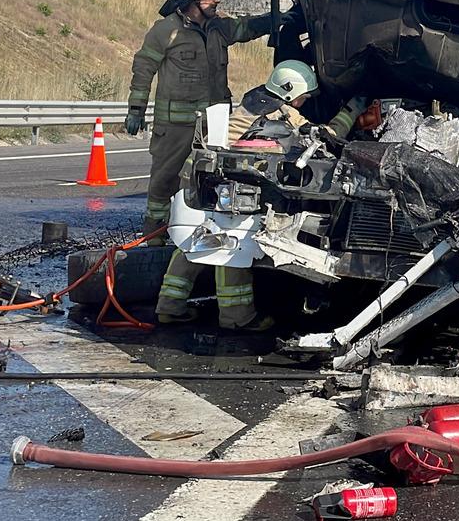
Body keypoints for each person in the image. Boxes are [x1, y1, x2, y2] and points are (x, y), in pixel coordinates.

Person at [155, 60, 367, 330]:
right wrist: (354, 108)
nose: (304, 101)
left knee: (196, 238)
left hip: (200, 175)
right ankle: (237, 318)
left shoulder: (254, 101)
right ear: (289, 92)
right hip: (227, 181)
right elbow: (325, 137)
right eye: (303, 96)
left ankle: (169, 306)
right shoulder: (280, 113)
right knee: (233, 242)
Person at [126, 0, 275, 245]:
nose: (217, 3)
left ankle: (198, 237)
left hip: (213, 124)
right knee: (165, 181)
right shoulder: (166, 30)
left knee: (208, 179)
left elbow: (248, 27)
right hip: (175, 126)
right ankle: (155, 238)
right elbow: (143, 68)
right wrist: (136, 108)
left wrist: (278, 18)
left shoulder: (218, 28)